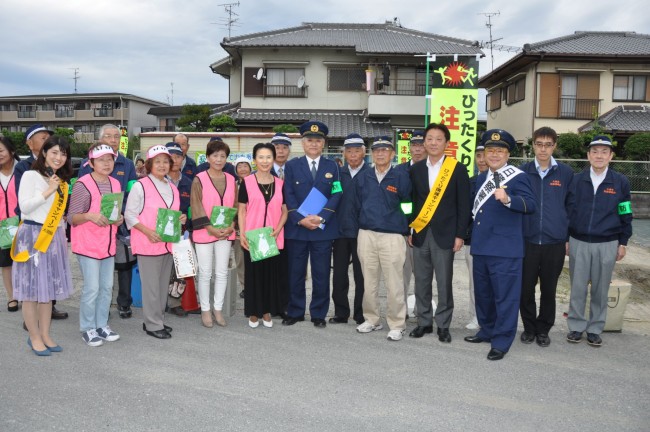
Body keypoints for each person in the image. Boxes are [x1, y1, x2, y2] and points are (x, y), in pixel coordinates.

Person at [464, 129, 536, 361]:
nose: (494, 154)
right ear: (484, 154)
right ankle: (487, 330)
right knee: (484, 294)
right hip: (482, 246)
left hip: (506, 250)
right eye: (490, 150)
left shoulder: (518, 176)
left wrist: (508, 199)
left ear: (507, 154)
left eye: (500, 150)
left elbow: (530, 205)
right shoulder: (483, 176)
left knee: (505, 297)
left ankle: (502, 340)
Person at [565, 135, 632, 347]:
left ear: (611, 156)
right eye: (595, 151)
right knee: (577, 287)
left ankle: (595, 328)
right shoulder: (576, 180)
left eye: (604, 152)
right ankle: (576, 326)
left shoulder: (620, 182)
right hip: (578, 241)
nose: (599, 156)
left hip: (608, 243)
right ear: (588, 155)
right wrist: (566, 238)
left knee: (600, 289)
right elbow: (568, 211)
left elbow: (626, 213)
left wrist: (623, 241)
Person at [408, 123, 470, 343]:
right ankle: (424, 322)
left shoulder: (457, 169)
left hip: (446, 234)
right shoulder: (415, 169)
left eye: (438, 139)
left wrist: (460, 234)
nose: (433, 143)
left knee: (444, 282)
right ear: (424, 142)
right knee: (421, 281)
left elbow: (464, 205)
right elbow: (411, 202)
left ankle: (443, 325)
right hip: (421, 233)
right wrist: (410, 227)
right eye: (430, 139)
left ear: (447, 143)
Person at [12, 136, 74, 355]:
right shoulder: (30, 175)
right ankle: (34, 336)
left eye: (63, 153)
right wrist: (48, 190)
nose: (59, 157)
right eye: (55, 152)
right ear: (44, 153)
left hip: (54, 236)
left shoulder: (62, 181)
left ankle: (46, 334)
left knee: (47, 291)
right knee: (31, 291)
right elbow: (25, 208)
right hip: (33, 236)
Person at [282, 120, 341, 328]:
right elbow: (288, 194)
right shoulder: (291, 166)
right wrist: (301, 219)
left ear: (323, 143)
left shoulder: (332, 165)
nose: (314, 144)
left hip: (322, 230)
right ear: (303, 143)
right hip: (297, 229)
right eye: (310, 140)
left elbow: (336, 192)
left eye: (318, 140)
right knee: (295, 273)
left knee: (321, 273)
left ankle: (318, 313)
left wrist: (322, 217)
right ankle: (296, 311)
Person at [519, 127, 574, 347]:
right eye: (539, 144)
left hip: (555, 242)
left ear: (554, 146)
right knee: (526, 288)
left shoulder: (565, 173)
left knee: (549, 289)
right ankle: (529, 328)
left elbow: (571, 207)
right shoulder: (522, 172)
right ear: (532, 145)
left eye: (548, 144)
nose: (543, 149)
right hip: (527, 240)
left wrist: (567, 235)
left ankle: (544, 329)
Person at [353, 137, 411, 341]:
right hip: (367, 234)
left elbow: (407, 204)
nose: (380, 154)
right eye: (376, 150)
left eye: (385, 150)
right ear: (372, 153)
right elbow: (357, 203)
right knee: (369, 281)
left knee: (394, 281)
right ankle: (372, 319)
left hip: (393, 236)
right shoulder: (364, 176)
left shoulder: (400, 176)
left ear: (392, 154)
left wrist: (405, 226)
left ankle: (397, 324)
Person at [125, 145, 186, 339]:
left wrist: (180, 219)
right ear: (149, 164)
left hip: (167, 244)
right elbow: (130, 215)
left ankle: (157, 319)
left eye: (165, 161)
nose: (162, 165)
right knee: (151, 286)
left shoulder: (172, 188)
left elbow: (171, 214)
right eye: (157, 161)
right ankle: (152, 324)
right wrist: (148, 232)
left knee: (161, 286)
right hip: (148, 242)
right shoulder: (140, 186)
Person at [78, 124, 137, 319]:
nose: (113, 140)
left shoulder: (127, 164)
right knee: (97, 276)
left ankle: (123, 303)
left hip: (119, 225)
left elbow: (131, 192)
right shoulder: (88, 164)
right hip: (93, 229)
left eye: (116, 137)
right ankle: (97, 310)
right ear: (101, 139)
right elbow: (80, 198)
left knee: (124, 265)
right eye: (109, 136)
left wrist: (123, 215)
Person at [69, 144, 123, 346]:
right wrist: (89, 216)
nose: (106, 163)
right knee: (92, 288)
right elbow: (71, 217)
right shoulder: (83, 184)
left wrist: (119, 218)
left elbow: (114, 212)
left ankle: (102, 325)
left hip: (108, 244)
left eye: (109, 159)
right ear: (91, 163)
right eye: (101, 159)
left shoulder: (116, 184)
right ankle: (88, 328)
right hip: (88, 245)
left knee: (107, 288)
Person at [238, 143, 288, 328]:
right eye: (261, 157)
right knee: (253, 275)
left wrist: (278, 228)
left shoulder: (281, 183)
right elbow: (241, 210)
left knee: (270, 275)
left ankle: (266, 311)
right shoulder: (247, 182)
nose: (265, 161)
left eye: (268, 157)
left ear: (273, 159)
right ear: (254, 159)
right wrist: (242, 233)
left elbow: (285, 211)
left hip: (272, 237)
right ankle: (253, 312)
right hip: (253, 236)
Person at [190, 139, 237, 328]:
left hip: (225, 232)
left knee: (221, 272)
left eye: (222, 156)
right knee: (205, 273)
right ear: (208, 157)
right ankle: (205, 309)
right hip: (205, 232)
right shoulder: (199, 178)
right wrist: (210, 228)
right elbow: (196, 205)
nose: (219, 159)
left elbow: (234, 205)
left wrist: (232, 225)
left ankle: (218, 308)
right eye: (215, 155)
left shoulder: (232, 179)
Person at [330, 133, 368, 325]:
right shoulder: (338, 174)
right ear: (344, 154)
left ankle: (361, 314)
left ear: (364, 153)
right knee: (339, 274)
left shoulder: (370, 173)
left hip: (363, 233)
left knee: (362, 277)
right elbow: (333, 198)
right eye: (349, 152)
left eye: (357, 151)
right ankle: (341, 312)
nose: (353, 155)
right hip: (340, 232)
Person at [396, 130, 426, 316]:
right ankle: (402, 311)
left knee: (423, 276)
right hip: (403, 231)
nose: (417, 149)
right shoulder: (399, 170)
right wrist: (406, 227)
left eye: (421, 145)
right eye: (414, 145)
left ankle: (422, 311)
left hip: (426, 231)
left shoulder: (436, 170)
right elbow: (399, 202)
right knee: (402, 274)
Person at [164, 142, 194, 317]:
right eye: (171, 157)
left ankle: (175, 302)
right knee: (163, 268)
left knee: (180, 268)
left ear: (183, 159)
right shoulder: (157, 181)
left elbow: (193, 207)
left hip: (183, 232)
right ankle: (160, 301)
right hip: (161, 232)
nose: (174, 160)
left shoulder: (189, 182)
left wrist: (187, 219)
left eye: (178, 156)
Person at [463, 141, 488, 330]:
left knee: (494, 282)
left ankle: (491, 318)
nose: (482, 160)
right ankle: (476, 316)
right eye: (478, 156)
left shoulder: (503, 181)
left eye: (484, 155)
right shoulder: (470, 181)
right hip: (472, 240)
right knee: (475, 281)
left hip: (496, 242)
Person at [0, 137, 20, 312]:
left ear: (11, 151)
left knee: (24, 260)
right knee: (6, 262)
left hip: (22, 223)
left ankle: (26, 294)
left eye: (1, 151)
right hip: (2, 227)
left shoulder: (21, 171)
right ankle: (11, 296)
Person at [233, 157, 252, 299]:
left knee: (255, 257)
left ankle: (256, 285)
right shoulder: (232, 185)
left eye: (246, 166)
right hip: (238, 228)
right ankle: (245, 286)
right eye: (240, 166)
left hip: (254, 226)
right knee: (240, 259)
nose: (243, 169)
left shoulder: (257, 183)